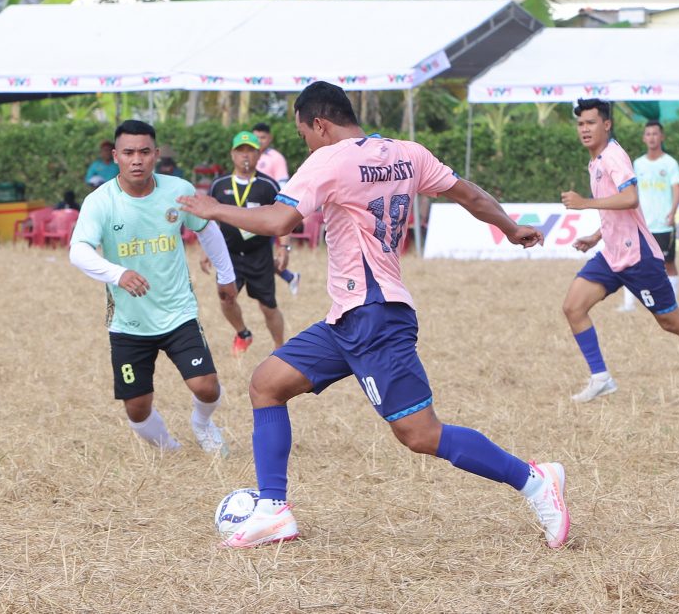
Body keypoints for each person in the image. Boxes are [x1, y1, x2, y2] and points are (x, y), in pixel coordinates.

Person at [178, 82, 570, 550]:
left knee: (420, 434)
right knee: (266, 384)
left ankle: (535, 481)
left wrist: (215, 209)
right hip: (349, 316)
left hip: (375, 318)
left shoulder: (330, 160)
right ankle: (273, 510)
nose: (306, 145)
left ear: (319, 124)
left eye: (304, 135)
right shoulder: (407, 153)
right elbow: (468, 193)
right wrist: (509, 226)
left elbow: (279, 221)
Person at [69, 119, 237, 454]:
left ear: (156, 154)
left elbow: (206, 228)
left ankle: (203, 423)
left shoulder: (178, 190)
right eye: (128, 152)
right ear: (115, 156)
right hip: (129, 322)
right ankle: (169, 449)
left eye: (144, 152)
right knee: (137, 408)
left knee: (206, 387)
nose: (137, 160)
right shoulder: (100, 201)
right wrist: (117, 274)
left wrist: (226, 275)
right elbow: (78, 251)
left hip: (178, 312)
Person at [560, 99, 679, 404]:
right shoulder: (596, 161)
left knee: (671, 321)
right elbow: (619, 211)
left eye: (591, 123)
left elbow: (630, 198)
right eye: (580, 124)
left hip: (638, 257)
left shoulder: (613, 156)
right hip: (612, 254)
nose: (585, 129)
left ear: (607, 124)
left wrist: (584, 203)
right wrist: (596, 236)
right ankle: (601, 377)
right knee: (573, 307)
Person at [202, 131, 292, 357]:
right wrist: (206, 251)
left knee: (268, 306)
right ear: (232, 155)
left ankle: (280, 349)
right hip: (228, 254)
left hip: (259, 254)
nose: (245, 155)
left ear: (258, 155)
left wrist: (284, 247)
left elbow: (284, 217)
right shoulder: (219, 184)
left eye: (250, 151)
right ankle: (243, 333)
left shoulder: (268, 185)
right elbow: (209, 219)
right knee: (226, 298)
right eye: (240, 151)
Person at [618, 122, 679, 311]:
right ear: (643, 138)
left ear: (662, 137)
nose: (652, 137)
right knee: (632, 263)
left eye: (655, 134)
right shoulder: (638, 164)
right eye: (648, 134)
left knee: (668, 264)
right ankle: (629, 304)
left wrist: (673, 211)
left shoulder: (670, 163)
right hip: (641, 223)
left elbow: (677, 188)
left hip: (663, 224)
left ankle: (673, 303)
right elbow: (632, 191)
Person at [253, 122, 301, 294]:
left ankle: (284, 279)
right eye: (256, 137)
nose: (259, 141)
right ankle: (290, 277)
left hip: (268, 212)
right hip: (251, 212)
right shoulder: (248, 155)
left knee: (259, 255)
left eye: (262, 137)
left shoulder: (276, 158)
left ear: (270, 138)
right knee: (257, 255)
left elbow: (283, 187)